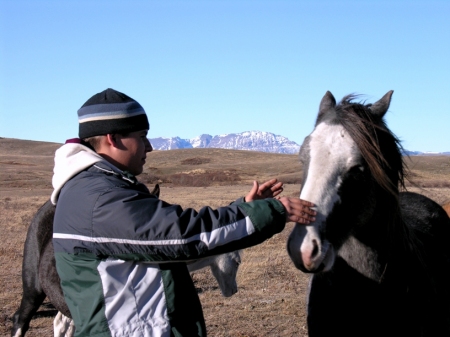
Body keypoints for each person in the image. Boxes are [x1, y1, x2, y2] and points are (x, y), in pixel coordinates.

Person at [51, 88, 316, 337]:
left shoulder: (98, 188)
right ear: (113, 138)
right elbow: (182, 236)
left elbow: (162, 240)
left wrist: (243, 207)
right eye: (142, 136)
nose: (150, 147)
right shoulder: (101, 198)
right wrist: (272, 211)